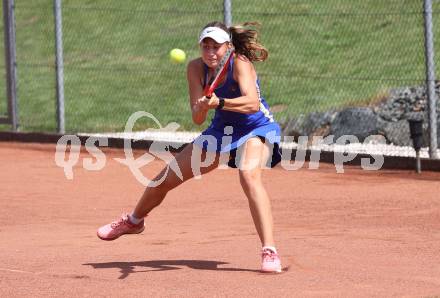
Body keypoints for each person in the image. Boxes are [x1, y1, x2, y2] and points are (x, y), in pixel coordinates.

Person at [97, 21, 283, 273]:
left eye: (216, 47)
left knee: (248, 176)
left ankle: (269, 251)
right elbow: (197, 118)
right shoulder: (195, 68)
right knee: (164, 179)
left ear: (227, 47)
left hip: (256, 127)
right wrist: (202, 107)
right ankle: (133, 221)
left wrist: (218, 102)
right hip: (221, 131)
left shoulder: (240, 62)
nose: (210, 52)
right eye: (205, 46)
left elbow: (251, 103)